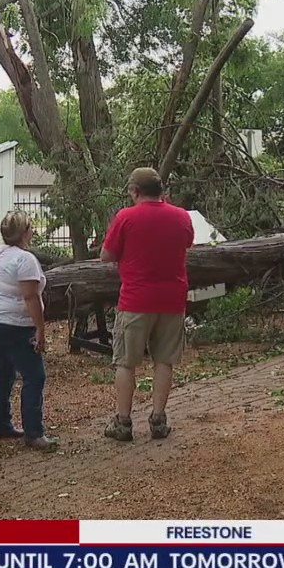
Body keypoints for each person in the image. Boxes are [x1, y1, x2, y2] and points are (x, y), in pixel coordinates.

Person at [100, 167, 195, 441]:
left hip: (135, 299)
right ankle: (158, 419)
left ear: (134, 191)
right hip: (173, 298)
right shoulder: (181, 217)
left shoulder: (126, 217)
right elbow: (187, 243)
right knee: (164, 360)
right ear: (162, 190)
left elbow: (107, 255)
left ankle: (123, 421)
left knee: (126, 362)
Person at [0, 210, 57, 452]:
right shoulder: (25, 260)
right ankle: (34, 433)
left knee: (2, 371)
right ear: (25, 232)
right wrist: (40, 329)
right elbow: (30, 296)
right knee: (34, 376)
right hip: (15, 324)